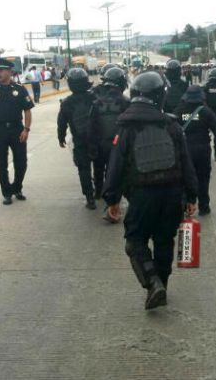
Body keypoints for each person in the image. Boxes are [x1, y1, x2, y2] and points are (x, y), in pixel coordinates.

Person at [101, 71, 199, 310]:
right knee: (164, 240)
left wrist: (111, 199)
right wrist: (191, 195)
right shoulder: (172, 125)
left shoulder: (126, 127)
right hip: (172, 194)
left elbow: (116, 165)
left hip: (142, 195)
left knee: (135, 241)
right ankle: (161, 284)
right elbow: (186, 162)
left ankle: (153, 283)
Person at [174, 85, 216, 215]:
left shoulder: (179, 110)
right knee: (203, 178)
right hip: (202, 150)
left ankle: (186, 204)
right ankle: (204, 206)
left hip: (185, 150)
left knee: (185, 178)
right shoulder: (206, 111)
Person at [0, 58, 34, 205]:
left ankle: (17, 188)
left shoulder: (19, 89)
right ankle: (6, 193)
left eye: (1, 70)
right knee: (2, 163)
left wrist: (26, 129)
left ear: (10, 72)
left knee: (21, 162)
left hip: (17, 129)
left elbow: (27, 111)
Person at [57, 67, 98, 209]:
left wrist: (60, 137)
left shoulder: (67, 102)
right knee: (99, 166)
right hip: (97, 139)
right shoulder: (94, 97)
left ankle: (90, 198)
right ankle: (100, 191)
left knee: (83, 169)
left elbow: (61, 123)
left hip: (80, 141)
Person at [88, 67, 130, 202]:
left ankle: (98, 192)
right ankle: (112, 196)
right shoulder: (126, 101)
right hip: (117, 144)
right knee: (115, 171)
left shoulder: (96, 101)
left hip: (100, 143)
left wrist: (92, 144)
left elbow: (91, 126)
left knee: (98, 168)